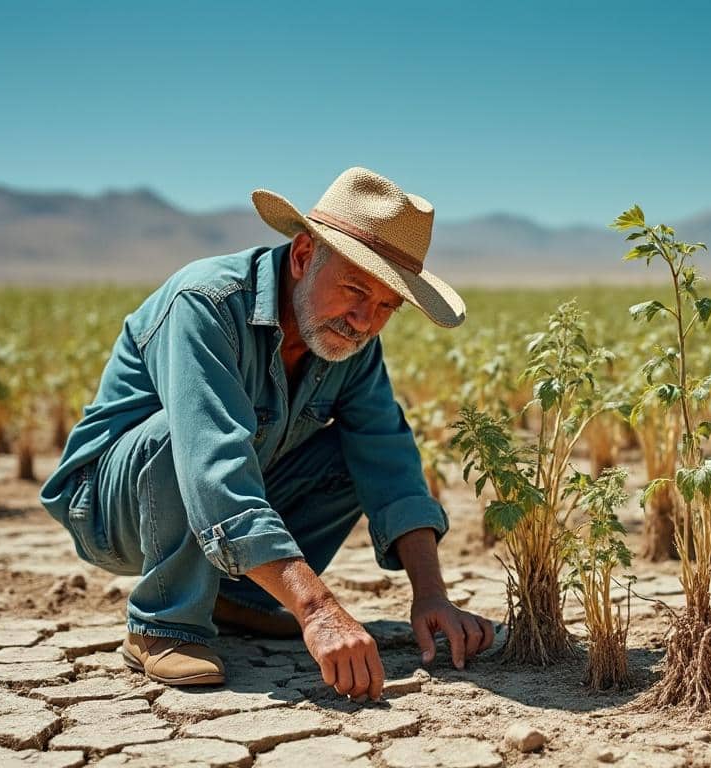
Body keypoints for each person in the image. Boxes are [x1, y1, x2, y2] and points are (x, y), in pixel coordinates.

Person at [39, 167, 494, 700]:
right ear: (303, 256)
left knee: (356, 454)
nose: (365, 321)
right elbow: (213, 466)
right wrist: (317, 609)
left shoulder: (350, 344)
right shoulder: (206, 303)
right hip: (111, 508)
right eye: (354, 289)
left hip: (210, 505)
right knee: (180, 434)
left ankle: (244, 601)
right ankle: (164, 624)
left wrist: (432, 595)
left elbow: (388, 459)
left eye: (386, 308)